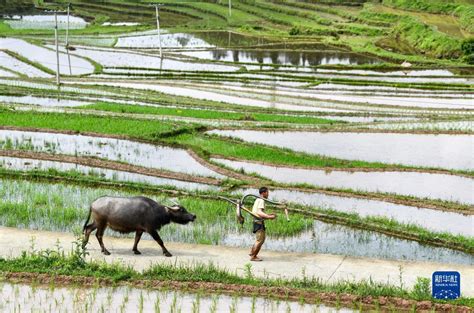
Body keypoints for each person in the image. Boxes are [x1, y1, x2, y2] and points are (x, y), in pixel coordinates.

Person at [249, 187, 276, 262]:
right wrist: (269, 217)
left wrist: (268, 215)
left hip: (257, 221)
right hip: (258, 222)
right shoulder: (261, 200)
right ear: (263, 193)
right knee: (260, 240)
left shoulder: (258, 199)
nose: (268, 194)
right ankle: (253, 256)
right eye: (267, 192)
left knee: (259, 240)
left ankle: (252, 253)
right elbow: (259, 212)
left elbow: (259, 212)